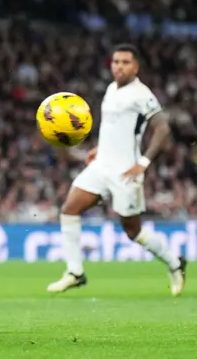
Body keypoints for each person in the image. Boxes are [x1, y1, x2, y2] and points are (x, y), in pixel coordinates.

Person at [47, 44, 187, 295]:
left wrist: (142, 163)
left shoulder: (141, 94)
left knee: (133, 230)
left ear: (136, 67)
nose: (119, 66)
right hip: (101, 165)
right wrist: (99, 149)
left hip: (126, 171)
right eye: (115, 62)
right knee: (69, 209)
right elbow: (115, 127)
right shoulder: (111, 89)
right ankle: (75, 272)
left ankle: (175, 262)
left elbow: (163, 128)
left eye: (125, 62)